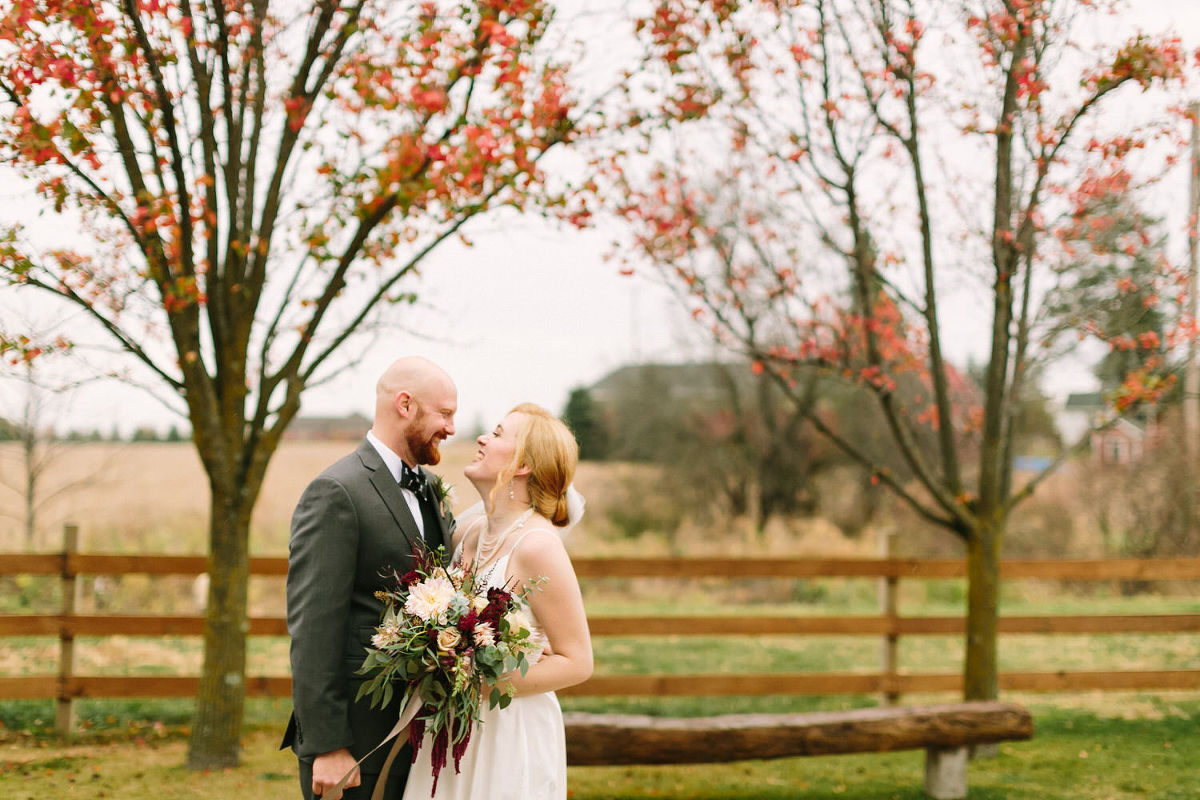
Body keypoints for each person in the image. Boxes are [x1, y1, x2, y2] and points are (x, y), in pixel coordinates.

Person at [282, 357, 458, 800]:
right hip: (357, 740)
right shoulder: (337, 492)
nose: (451, 428)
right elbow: (313, 627)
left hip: (420, 733)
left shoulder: (432, 489)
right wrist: (328, 745)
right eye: (445, 413)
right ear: (405, 404)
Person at [403, 403, 593, 800]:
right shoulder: (469, 534)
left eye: (498, 433)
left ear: (523, 465)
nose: (482, 438)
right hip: (451, 724)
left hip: (508, 730)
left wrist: (476, 680)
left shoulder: (538, 546)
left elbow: (578, 661)